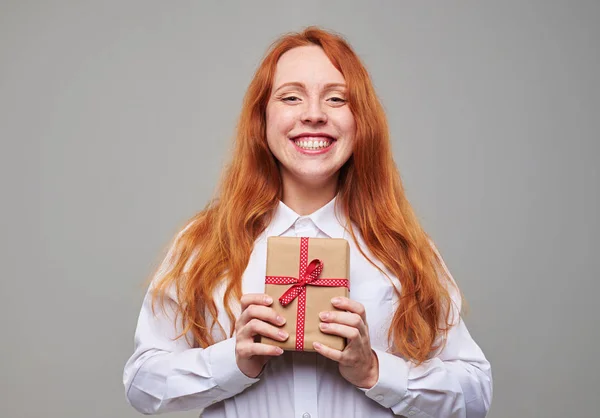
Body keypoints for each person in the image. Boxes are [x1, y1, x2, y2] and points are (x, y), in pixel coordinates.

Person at [123, 26, 492, 418]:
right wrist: (234, 361)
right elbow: (142, 383)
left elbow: (475, 394)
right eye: (291, 97)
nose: (314, 114)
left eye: (336, 98)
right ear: (262, 118)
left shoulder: (402, 249)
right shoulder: (203, 244)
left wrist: (374, 370)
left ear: (360, 120)